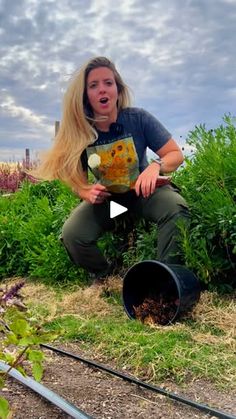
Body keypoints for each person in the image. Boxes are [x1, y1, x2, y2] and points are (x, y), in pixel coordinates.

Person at [34, 56, 190, 281]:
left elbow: (175, 155)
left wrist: (155, 167)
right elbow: (74, 179)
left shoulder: (138, 119)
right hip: (113, 206)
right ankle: (105, 275)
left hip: (143, 196)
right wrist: (86, 191)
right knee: (73, 234)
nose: (102, 89)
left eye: (108, 82)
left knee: (176, 209)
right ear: (85, 94)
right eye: (93, 85)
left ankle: (167, 277)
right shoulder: (81, 133)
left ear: (117, 88)